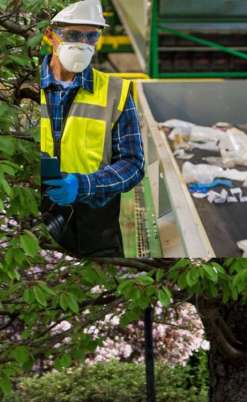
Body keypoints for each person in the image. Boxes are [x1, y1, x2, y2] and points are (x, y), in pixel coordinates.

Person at [40, 0, 144, 257]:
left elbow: (133, 164)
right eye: (73, 35)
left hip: (97, 231)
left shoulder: (115, 91)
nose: (83, 43)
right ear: (50, 35)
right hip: (37, 228)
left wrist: (83, 184)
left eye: (91, 36)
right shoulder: (23, 90)